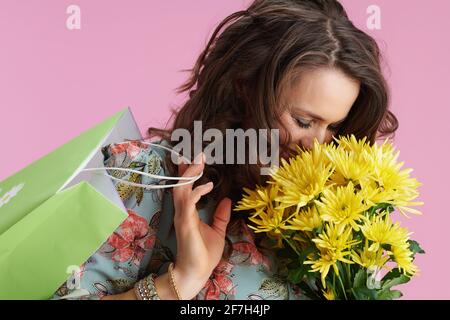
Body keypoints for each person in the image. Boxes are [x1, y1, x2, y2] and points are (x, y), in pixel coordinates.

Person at [53, 0, 398, 300]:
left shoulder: (334, 218)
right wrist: (179, 284)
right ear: (245, 88)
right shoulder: (144, 180)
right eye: (304, 121)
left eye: (334, 126)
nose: (318, 147)